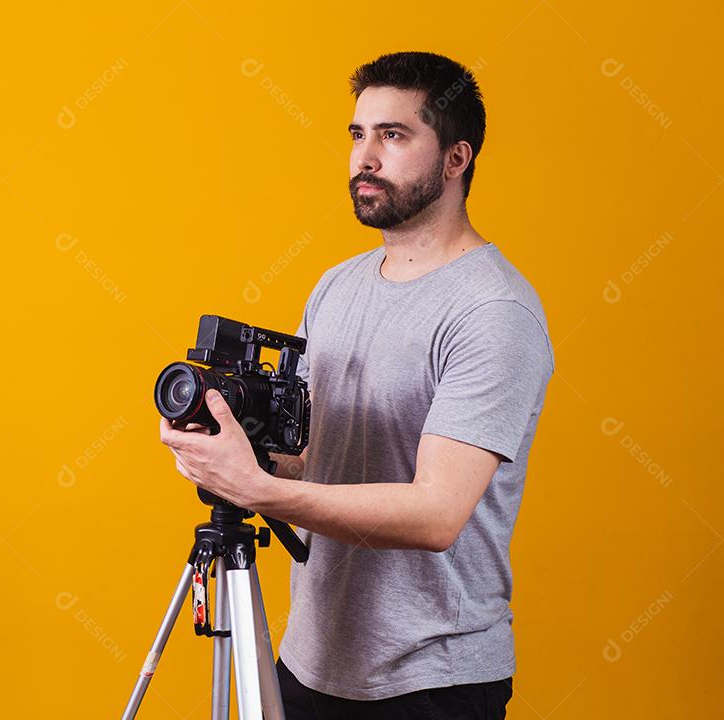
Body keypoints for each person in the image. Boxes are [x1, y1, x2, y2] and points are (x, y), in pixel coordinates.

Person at [159, 51, 555, 719]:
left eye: (393, 136)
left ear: (456, 159)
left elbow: (436, 514)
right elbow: (323, 457)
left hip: (431, 679)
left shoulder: (493, 311)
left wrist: (260, 490)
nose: (365, 157)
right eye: (357, 134)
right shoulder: (336, 286)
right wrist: (232, 448)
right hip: (311, 659)